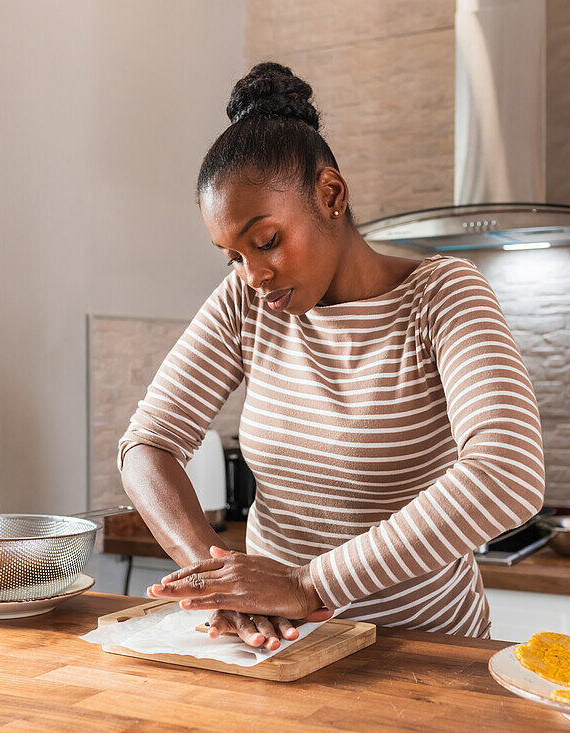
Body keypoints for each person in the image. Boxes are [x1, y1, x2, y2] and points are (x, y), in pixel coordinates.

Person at [118, 62, 545, 651]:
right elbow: (148, 446)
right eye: (232, 256)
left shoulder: (442, 295)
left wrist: (307, 585)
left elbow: (508, 474)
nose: (254, 274)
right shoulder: (247, 303)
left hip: (423, 653)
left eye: (265, 241)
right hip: (284, 649)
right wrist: (219, 583)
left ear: (331, 194)